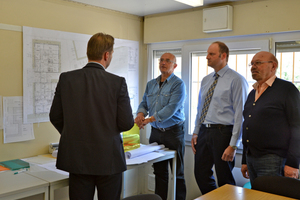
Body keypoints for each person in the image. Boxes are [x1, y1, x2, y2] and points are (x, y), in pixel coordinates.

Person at [49, 32, 134, 200]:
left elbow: (55, 116)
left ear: (89, 52)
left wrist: (72, 133)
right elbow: (126, 123)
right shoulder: (117, 82)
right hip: (109, 159)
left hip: (78, 159)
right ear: (106, 55)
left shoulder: (67, 79)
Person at [191, 41, 248, 195]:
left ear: (223, 56)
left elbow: (240, 115)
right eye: (207, 53)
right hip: (204, 131)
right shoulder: (206, 80)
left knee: (225, 178)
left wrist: (233, 145)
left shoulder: (237, 80)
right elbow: (200, 109)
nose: (207, 57)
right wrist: (196, 132)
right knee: (201, 174)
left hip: (223, 133)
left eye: (211, 54)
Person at [241, 51, 300, 185]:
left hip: (274, 159)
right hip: (252, 158)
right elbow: (248, 125)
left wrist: (293, 163)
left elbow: (297, 127)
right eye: (252, 64)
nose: (253, 67)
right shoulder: (252, 93)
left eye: (258, 63)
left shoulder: (287, 90)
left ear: (273, 67)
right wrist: (244, 160)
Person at [135, 53, 186, 200]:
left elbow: (171, 108)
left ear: (174, 66)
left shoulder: (178, 84)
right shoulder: (151, 84)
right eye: (161, 60)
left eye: (167, 61)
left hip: (174, 133)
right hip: (156, 133)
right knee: (159, 172)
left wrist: (149, 119)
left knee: (178, 173)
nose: (163, 63)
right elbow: (144, 103)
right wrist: (140, 114)